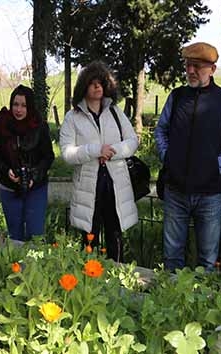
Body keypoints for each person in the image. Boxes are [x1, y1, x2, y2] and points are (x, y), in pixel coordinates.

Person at [154, 42, 221, 271]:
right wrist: (168, 157)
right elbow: (160, 130)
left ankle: (204, 304)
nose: (191, 71)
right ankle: (171, 301)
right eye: (188, 65)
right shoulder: (176, 97)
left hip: (209, 193)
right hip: (175, 190)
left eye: (197, 66)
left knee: (207, 259)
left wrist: (216, 166)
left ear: (212, 69)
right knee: (172, 256)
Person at [59, 61, 139, 262]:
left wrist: (112, 152)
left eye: (100, 83)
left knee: (115, 234)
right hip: (89, 186)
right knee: (89, 238)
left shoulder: (115, 112)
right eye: (92, 83)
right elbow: (67, 153)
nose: (97, 87)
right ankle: (90, 281)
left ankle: (118, 279)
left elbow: (132, 141)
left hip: (115, 184)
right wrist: (95, 151)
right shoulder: (72, 117)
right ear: (84, 86)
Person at [0, 85, 54, 241]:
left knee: (35, 234)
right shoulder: (2, 124)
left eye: (24, 105)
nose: (18, 109)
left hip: (36, 187)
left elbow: (48, 157)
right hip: (9, 187)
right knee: (15, 236)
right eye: (15, 104)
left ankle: (35, 264)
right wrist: (7, 171)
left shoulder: (39, 126)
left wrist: (34, 175)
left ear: (30, 107)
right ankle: (17, 265)